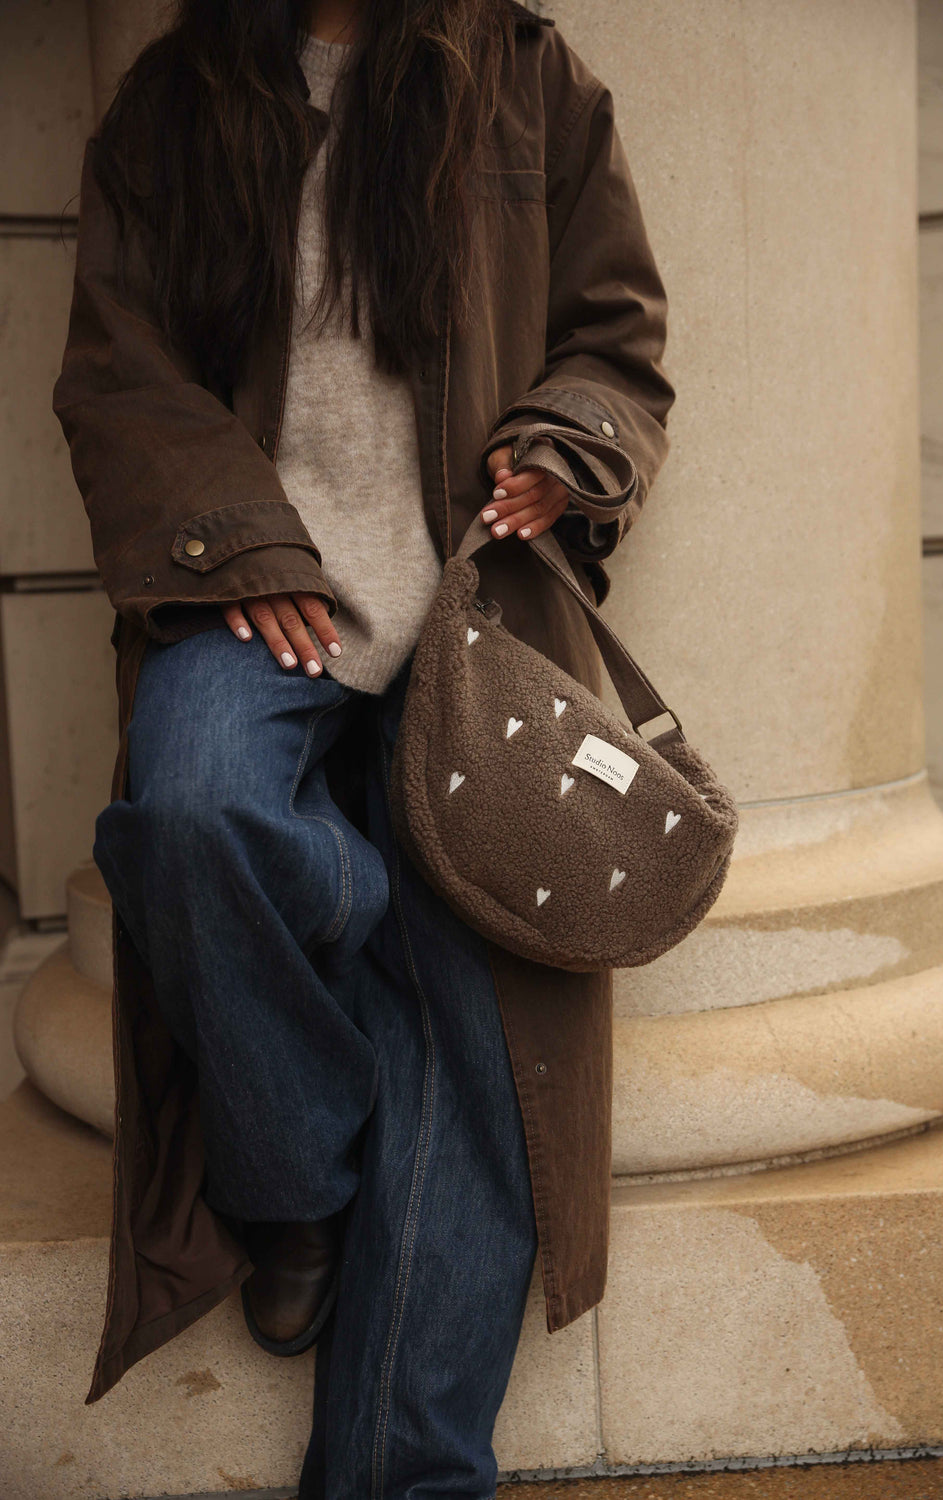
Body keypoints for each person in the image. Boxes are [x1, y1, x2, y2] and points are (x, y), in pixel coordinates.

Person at [52, 1, 675, 1495]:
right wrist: (240, 540)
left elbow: (615, 336)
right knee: (193, 815)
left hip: (472, 610)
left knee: (480, 1059)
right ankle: (298, 1170)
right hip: (256, 595)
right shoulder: (174, 99)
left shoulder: (526, 74)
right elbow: (119, 371)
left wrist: (563, 443)